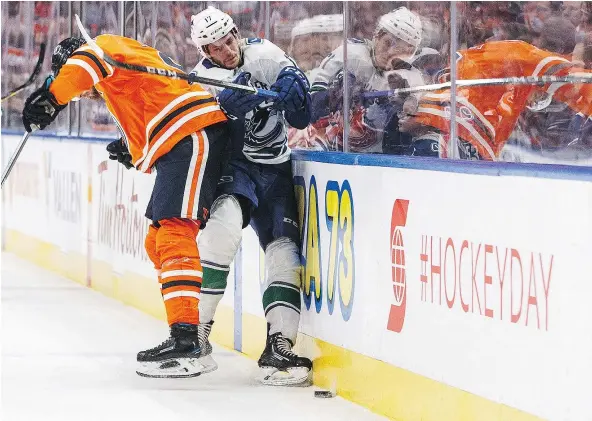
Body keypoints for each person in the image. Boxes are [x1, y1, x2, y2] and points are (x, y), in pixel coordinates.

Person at [22, 35, 229, 378]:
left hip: (191, 133)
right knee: (157, 240)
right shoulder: (123, 65)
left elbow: (88, 60)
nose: (83, 94)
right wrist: (134, 148)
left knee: (174, 234)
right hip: (181, 137)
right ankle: (188, 334)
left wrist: (52, 98)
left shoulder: (101, 48)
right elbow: (149, 95)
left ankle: (187, 341)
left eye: (74, 84)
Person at [189, 6, 313, 386]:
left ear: (236, 32)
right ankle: (194, 335)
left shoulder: (267, 54)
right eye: (216, 48)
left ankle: (279, 345)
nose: (227, 50)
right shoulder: (202, 79)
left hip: (276, 168)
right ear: (204, 53)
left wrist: (297, 90)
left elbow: (302, 118)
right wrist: (222, 108)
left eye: (228, 40)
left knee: (286, 252)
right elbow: (199, 131)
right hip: (234, 166)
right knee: (221, 231)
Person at [408, 40, 592, 160]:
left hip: (433, 120)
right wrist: (575, 65)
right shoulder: (528, 56)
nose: (531, 103)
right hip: (455, 129)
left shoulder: (500, 76)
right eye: (540, 96)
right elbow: (574, 83)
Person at [309, 7, 429, 154]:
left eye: (400, 50)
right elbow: (312, 106)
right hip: (331, 149)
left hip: (379, 158)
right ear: (377, 36)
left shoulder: (413, 79)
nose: (391, 53)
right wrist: (331, 95)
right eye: (388, 43)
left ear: (410, 53)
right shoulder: (350, 54)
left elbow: (417, 130)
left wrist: (405, 102)